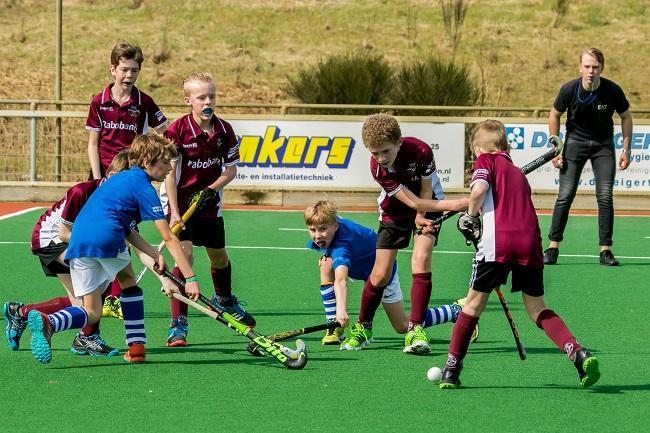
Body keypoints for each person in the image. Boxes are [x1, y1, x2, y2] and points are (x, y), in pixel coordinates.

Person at [440, 120, 600, 389]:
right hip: (530, 246)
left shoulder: (484, 162)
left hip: (497, 246)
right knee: (538, 308)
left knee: (471, 306)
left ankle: (452, 369)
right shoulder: (516, 173)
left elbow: (478, 191)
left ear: (477, 148)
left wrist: (470, 216)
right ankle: (578, 352)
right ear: (506, 147)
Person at [26, 133, 200, 364]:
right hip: (106, 238)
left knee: (92, 311)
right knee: (128, 282)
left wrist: (154, 253)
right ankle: (137, 347)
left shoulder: (117, 181)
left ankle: (51, 323)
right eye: (165, 162)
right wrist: (190, 277)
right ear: (148, 163)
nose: (170, 168)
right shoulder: (145, 189)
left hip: (78, 243)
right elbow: (168, 237)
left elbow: (128, 229)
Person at [341, 113, 469, 355]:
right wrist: (458, 203)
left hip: (430, 202)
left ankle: (415, 329)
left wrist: (422, 214)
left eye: (385, 151)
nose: (380, 158)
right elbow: (409, 202)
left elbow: (426, 189)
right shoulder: (377, 168)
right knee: (380, 273)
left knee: (420, 259)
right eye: (374, 153)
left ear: (399, 142)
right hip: (395, 210)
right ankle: (363, 328)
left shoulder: (421, 151)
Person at [3, 151, 130, 357]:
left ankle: (20, 312)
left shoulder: (121, 200)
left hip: (73, 242)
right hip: (50, 238)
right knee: (97, 274)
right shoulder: (82, 191)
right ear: (112, 176)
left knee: (80, 306)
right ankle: (87, 338)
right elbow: (64, 234)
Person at [160, 72, 254, 347]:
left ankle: (224, 299)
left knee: (219, 259)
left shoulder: (224, 131)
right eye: (202, 98)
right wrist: (174, 211)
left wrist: (211, 189)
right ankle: (178, 324)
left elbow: (232, 169)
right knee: (185, 256)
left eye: (211, 96)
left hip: (210, 205)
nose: (208, 101)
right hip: (180, 204)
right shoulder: (177, 131)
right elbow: (169, 173)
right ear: (189, 100)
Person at [304, 199, 478, 347]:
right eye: (313, 230)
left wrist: (341, 310)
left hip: (382, 268)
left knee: (403, 325)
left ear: (335, 226)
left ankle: (456, 310)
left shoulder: (342, 247)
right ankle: (334, 327)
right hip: (360, 263)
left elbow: (341, 280)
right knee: (326, 263)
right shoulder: (331, 221)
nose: (317, 235)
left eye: (322, 229)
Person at [85, 41, 169, 311]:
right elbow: (93, 143)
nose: (129, 76)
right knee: (103, 231)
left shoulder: (144, 101)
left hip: (129, 177)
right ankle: (101, 294)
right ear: (113, 69)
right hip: (103, 177)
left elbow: (164, 129)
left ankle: (114, 297)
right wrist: (98, 179)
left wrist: (154, 153)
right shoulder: (99, 100)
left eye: (134, 70)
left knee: (126, 232)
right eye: (124, 70)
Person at [544, 47, 633, 266]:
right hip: (575, 143)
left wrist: (626, 149)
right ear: (580, 67)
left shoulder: (612, 90)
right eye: (587, 66)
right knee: (565, 195)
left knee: (604, 196)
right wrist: (556, 147)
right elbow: (554, 114)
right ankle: (553, 247)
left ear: (602, 68)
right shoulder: (570, 89)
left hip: (603, 146)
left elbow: (626, 116)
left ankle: (605, 250)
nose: (591, 71)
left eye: (595, 67)